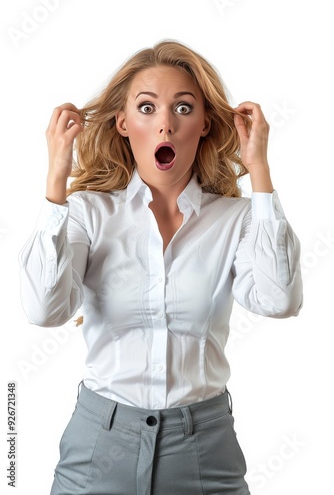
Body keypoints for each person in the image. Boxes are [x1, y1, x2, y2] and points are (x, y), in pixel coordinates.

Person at [19, 40, 303, 495]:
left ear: (206, 124)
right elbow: (43, 310)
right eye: (147, 108)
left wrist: (260, 171)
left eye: (183, 108)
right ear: (124, 123)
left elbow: (279, 299)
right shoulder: (88, 213)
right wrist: (57, 181)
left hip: (204, 451)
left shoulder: (237, 219)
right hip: (98, 447)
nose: (165, 125)